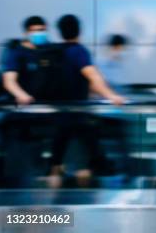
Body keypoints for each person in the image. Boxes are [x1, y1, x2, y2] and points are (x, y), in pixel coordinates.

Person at [48, 14, 124, 188]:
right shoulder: (78, 51)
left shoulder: (55, 52)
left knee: (56, 163)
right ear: (79, 31)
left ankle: (51, 208)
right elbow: (92, 77)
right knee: (84, 166)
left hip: (58, 117)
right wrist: (111, 96)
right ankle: (81, 208)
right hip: (79, 116)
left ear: (60, 32)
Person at [1, 16, 50, 105]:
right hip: (23, 106)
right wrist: (22, 96)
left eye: (42, 30)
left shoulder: (48, 50)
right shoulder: (16, 52)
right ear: (26, 33)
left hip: (45, 105)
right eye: (36, 30)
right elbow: (9, 81)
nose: (40, 33)